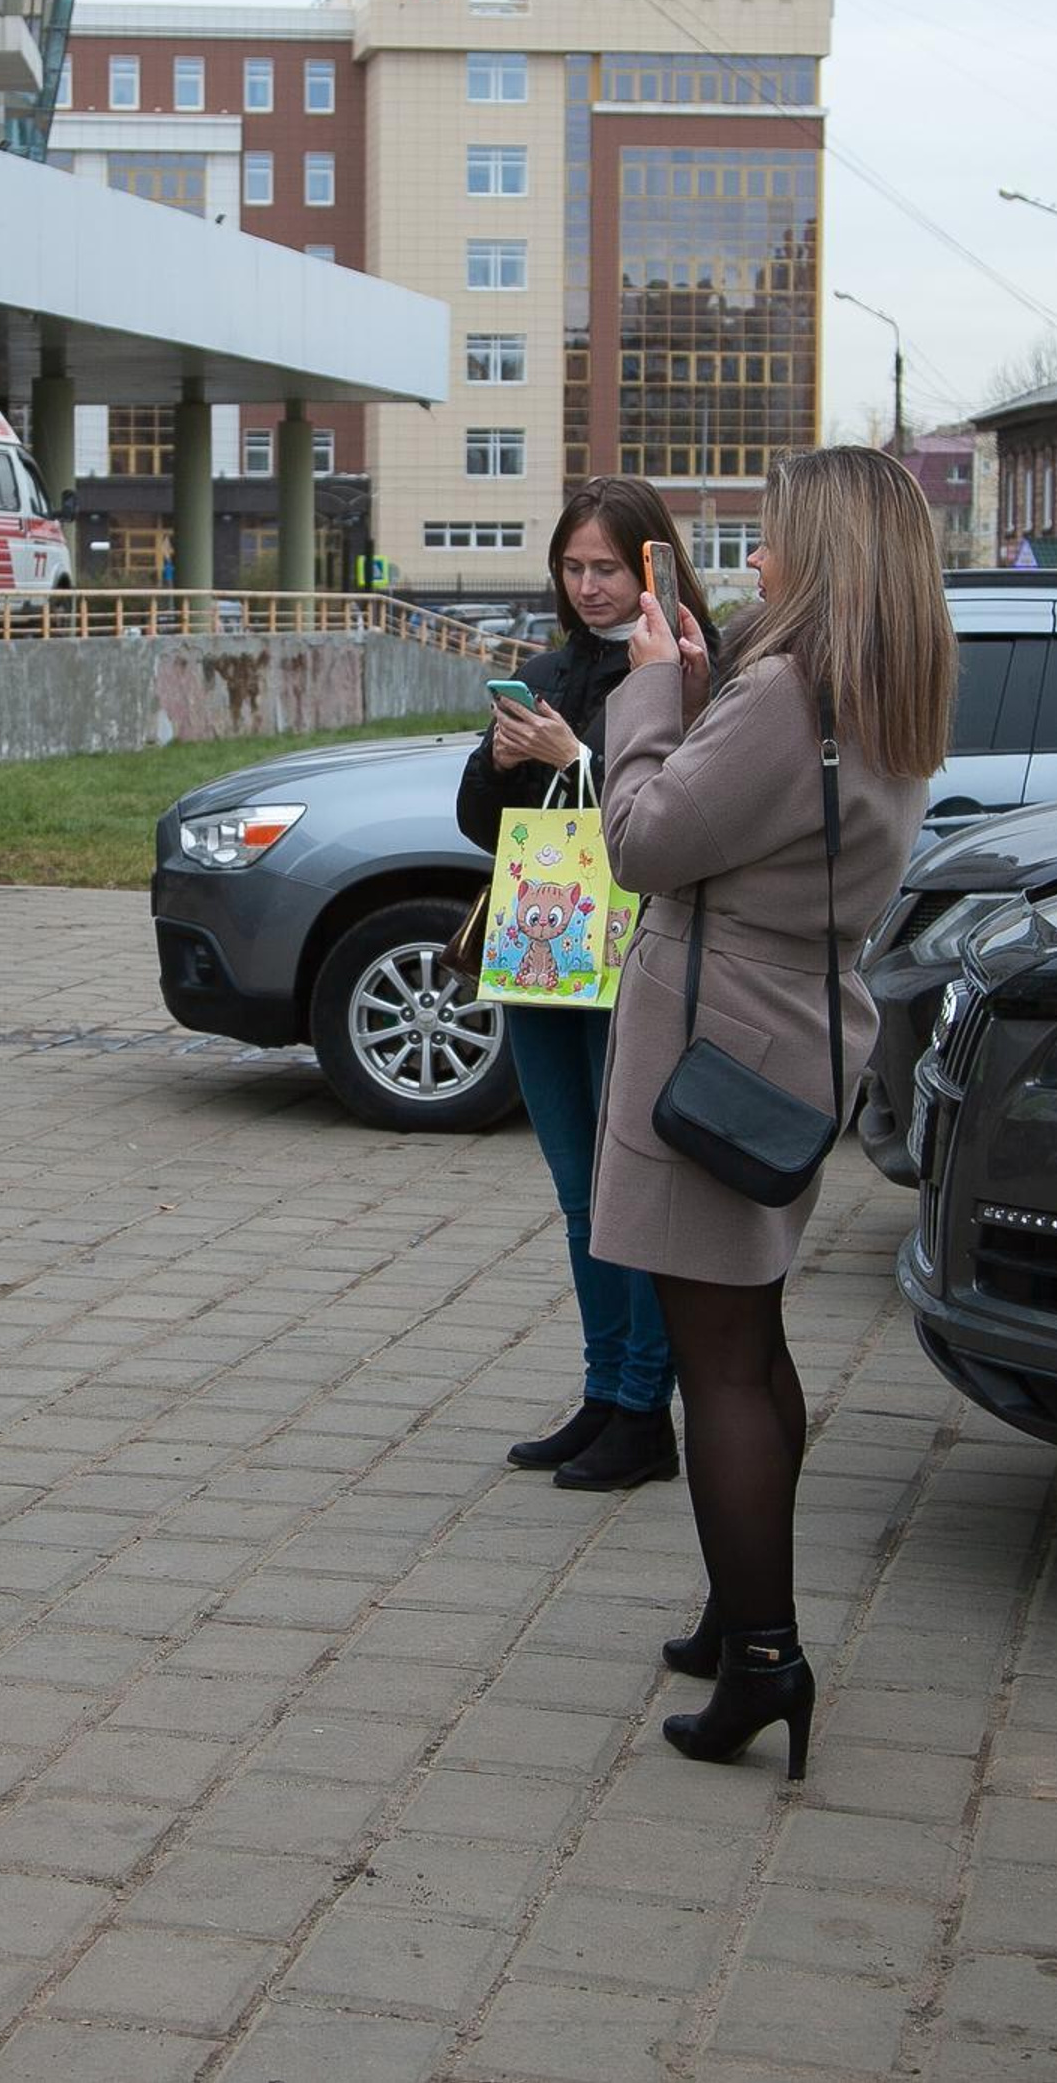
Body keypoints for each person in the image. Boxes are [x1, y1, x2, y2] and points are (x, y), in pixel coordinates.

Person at [594, 447, 955, 1775]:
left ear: (826, 554)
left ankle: (764, 1654)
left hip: (716, 1042)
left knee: (722, 1363)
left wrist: (648, 693)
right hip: (795, 1028)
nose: (754, 561)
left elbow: (640, 838)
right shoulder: (883, 691)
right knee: (752, 1338)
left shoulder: (789, 694)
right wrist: (699, 685)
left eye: (770, 539)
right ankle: (736, 1605)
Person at [456, 477, 718, 1492]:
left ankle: (647, 1404)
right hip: (544, 953)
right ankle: (603, 1391)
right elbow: (485, 824)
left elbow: (677, 813)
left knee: (630, 1195)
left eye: (606, 566)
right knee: (578, 1194)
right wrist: (499, 754)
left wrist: (576, 755)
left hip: (638, 959)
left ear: (652, 561)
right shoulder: (546, 668)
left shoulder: (686, 664)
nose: (589, 585)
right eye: (573, 568)